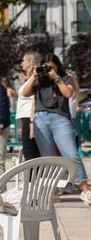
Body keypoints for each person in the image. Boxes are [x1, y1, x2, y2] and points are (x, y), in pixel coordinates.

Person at [21, 54, 90, 199]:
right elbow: (25, 93)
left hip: (61, 119)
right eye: (46, 66)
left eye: (51, 66)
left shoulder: (65, 78)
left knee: (71, 154)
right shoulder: (39, 80)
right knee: (49, 158)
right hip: (41, 118)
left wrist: (56, 77)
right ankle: (53, 192)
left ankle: (85, 189)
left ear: (57, 66)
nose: (48, 69)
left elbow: (68, 93)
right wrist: (33, 76)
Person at [16, 52, 41, 161]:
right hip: (25, 117)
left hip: (30, 118)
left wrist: (31, 124)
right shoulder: (31, 78)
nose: (22, 63)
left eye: (24, 60)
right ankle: (33, 177)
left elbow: (33, 101)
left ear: (30, 62)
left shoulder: (35, 78)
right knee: (30, 151)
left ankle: (32, 177)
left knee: (30, 152)